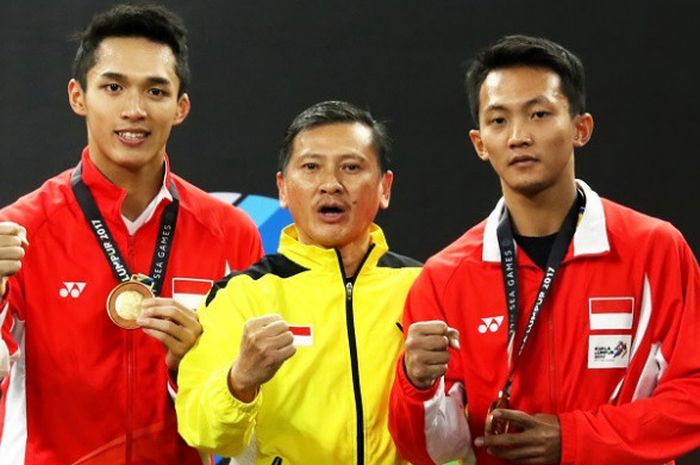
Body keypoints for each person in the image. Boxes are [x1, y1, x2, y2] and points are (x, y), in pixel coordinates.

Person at [388, 35, 700, 465]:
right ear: (480, 143)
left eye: (538, 114)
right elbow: (428, 452)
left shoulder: (654, 249)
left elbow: (693, 396)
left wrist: (575, 440)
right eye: (498, 121)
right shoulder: (445, 276)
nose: (518, 136)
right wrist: (415, 386)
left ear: (580, 128)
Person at [0, 4, 263, 464]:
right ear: (78, 96)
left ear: (180, 107)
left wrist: (192, 366)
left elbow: (249, 415)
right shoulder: (21, 232)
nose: (135, 109)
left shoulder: (231, 234)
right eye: (114, 87)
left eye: (156, 91)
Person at [175, 100, 422, 464]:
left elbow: (455, 434)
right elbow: (201, 431)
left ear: (385, 187)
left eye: (351, 167)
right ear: (284, 188)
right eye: (310, 167)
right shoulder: (242, 294)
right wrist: (238, 380)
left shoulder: (421, 288)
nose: (331, 184)